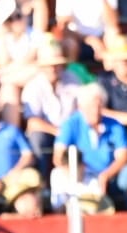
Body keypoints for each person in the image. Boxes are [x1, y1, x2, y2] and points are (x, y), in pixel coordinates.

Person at [49, 80, 127, 210]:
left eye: (99, 106)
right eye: (91, 106)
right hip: (79, 173)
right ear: (81, 107)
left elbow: (123, 156)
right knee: (57, 175)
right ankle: (61, 213)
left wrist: (106, 175)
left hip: (107, 174)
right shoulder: (70, 124)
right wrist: (75, 171)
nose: (96, 110)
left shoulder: (114, 125)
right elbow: (58, 157)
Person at [20, 36, 79, 175]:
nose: (53, 68)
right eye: (49, 65)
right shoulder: (33, 86)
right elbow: (32, 122)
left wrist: (68, 131)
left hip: (71, 130)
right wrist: (60, 132)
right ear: (42, 67)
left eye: (56, 64)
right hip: (49, 133)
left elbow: (82, 107)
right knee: (37, 137)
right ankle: (43, 177)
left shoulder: (72, 79)